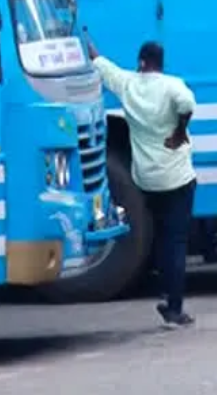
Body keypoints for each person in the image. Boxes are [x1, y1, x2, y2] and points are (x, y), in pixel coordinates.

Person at [86, 35, 197, 328]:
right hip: (178, 177)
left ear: (141, 63)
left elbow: (102, 66)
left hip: (147, 180)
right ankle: (174, 307)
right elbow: (186, 103)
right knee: (176, 241)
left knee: (159, 237)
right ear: (161, 63)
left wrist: (87, 44)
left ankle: (164, 290)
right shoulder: (173, 85)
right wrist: (180, 130)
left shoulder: (129, 85)